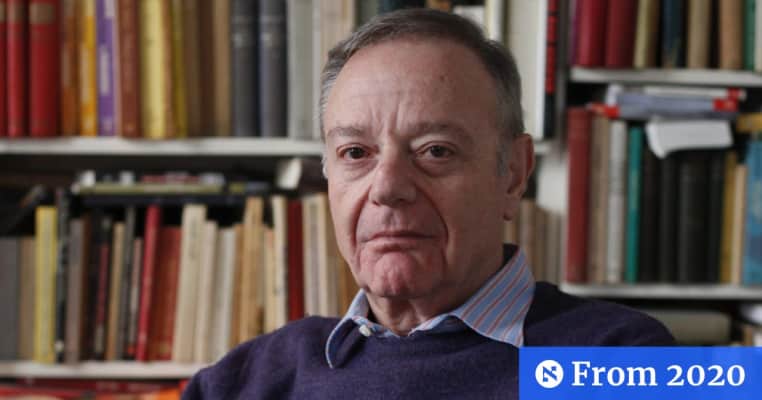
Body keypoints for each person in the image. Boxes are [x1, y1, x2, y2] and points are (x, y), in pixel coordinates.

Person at [182, 8, 673, 399]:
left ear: (513, 174)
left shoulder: (623, 363)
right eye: (356, 153)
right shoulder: (245, 382)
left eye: (435, 151)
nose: (387, 187)